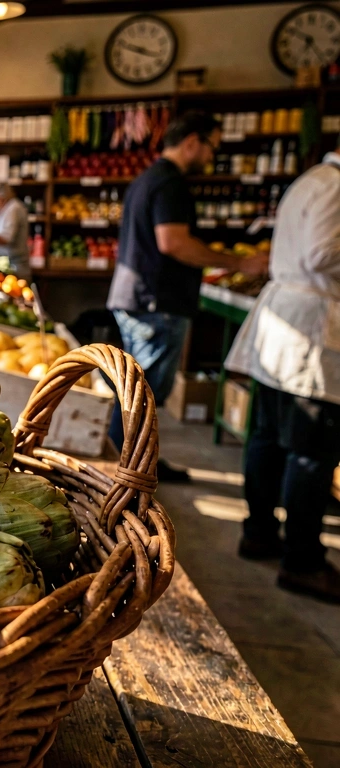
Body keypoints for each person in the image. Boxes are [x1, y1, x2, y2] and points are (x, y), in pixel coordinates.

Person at [106, 111, 268, 479]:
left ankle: (131, 462)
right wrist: (237, 263)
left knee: (135, 389)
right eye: (212, 146)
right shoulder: (170, 183)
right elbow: (174, 242)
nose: (212, 156)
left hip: (139, 297)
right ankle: (126, 468)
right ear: (192, 140)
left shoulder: (147, 178)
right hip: (156, 302)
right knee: (143, 393)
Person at [225, 147, 340, 602]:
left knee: (268, 437)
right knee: (311, 452)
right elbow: (320, 253)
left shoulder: (314, 178)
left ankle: (258, 533)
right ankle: (302, 562)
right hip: (310, 327)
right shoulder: (335, 185)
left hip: (289, 322)